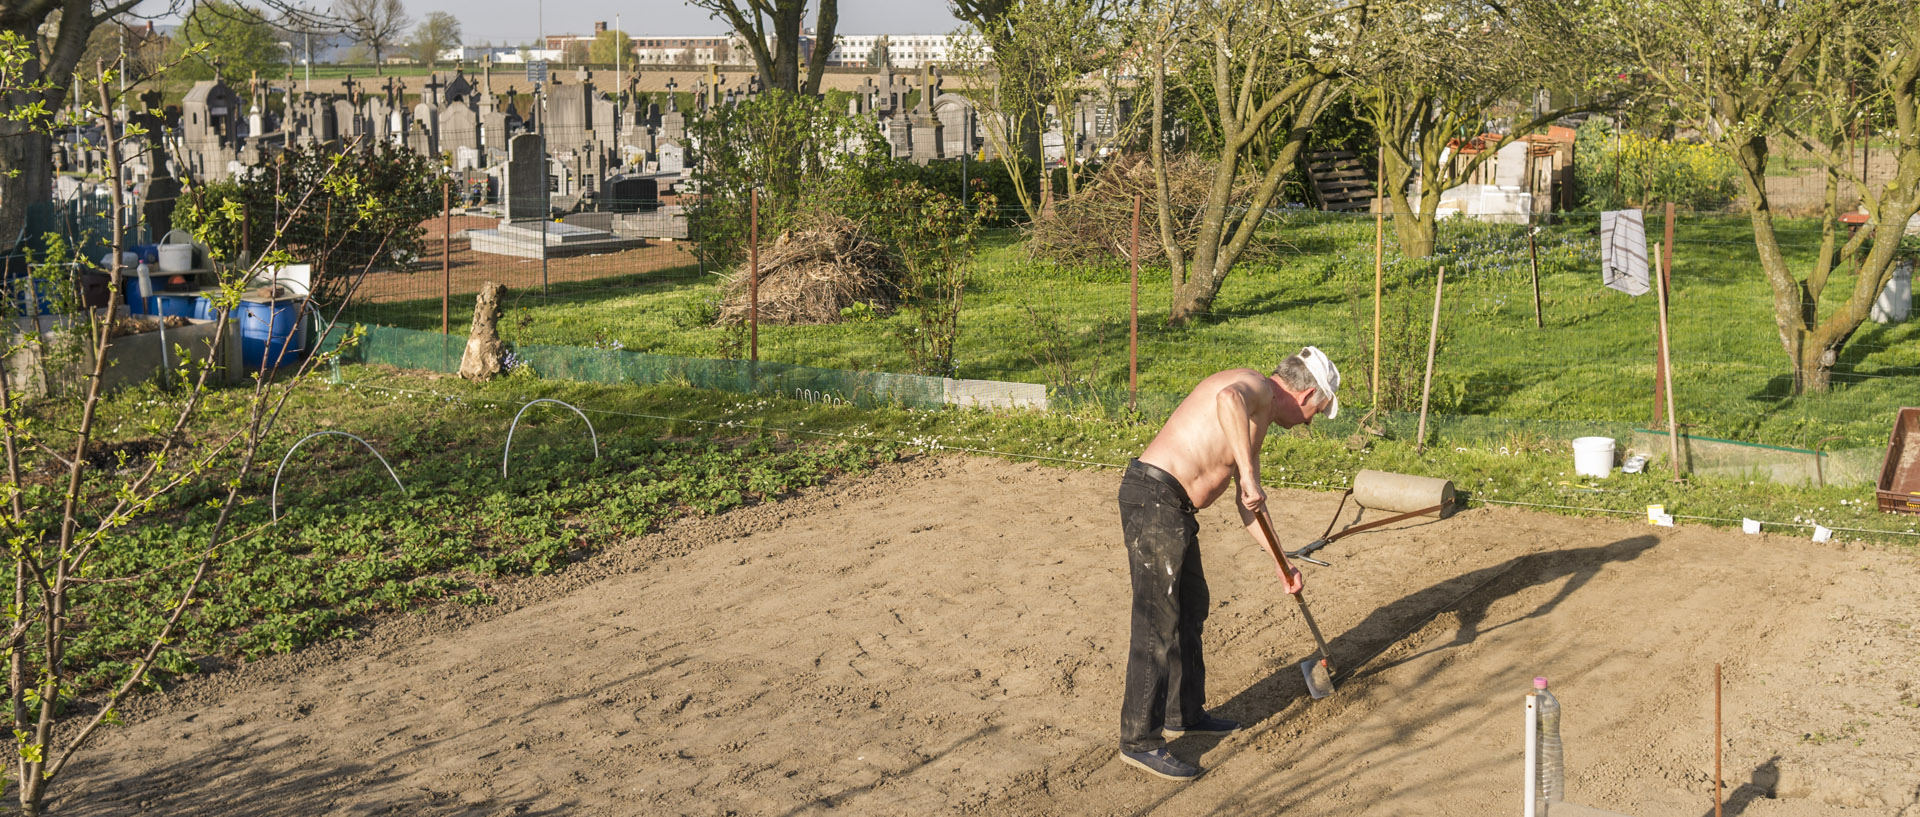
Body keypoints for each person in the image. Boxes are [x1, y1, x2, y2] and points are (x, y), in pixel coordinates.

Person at [1116, 346, 1342, 781]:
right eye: (1319, 409)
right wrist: (1249, 472)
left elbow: (1248, 503)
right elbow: (1227, 400)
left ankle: (1185, 712)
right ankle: (1139, 740)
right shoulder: (1254, 387)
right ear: (1307, 393)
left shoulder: (1255, 420)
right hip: (1153, 497)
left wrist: (1283, 565)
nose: (1312, 421)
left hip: (1172, 508)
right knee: (1156, 622)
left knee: (1192, 608)